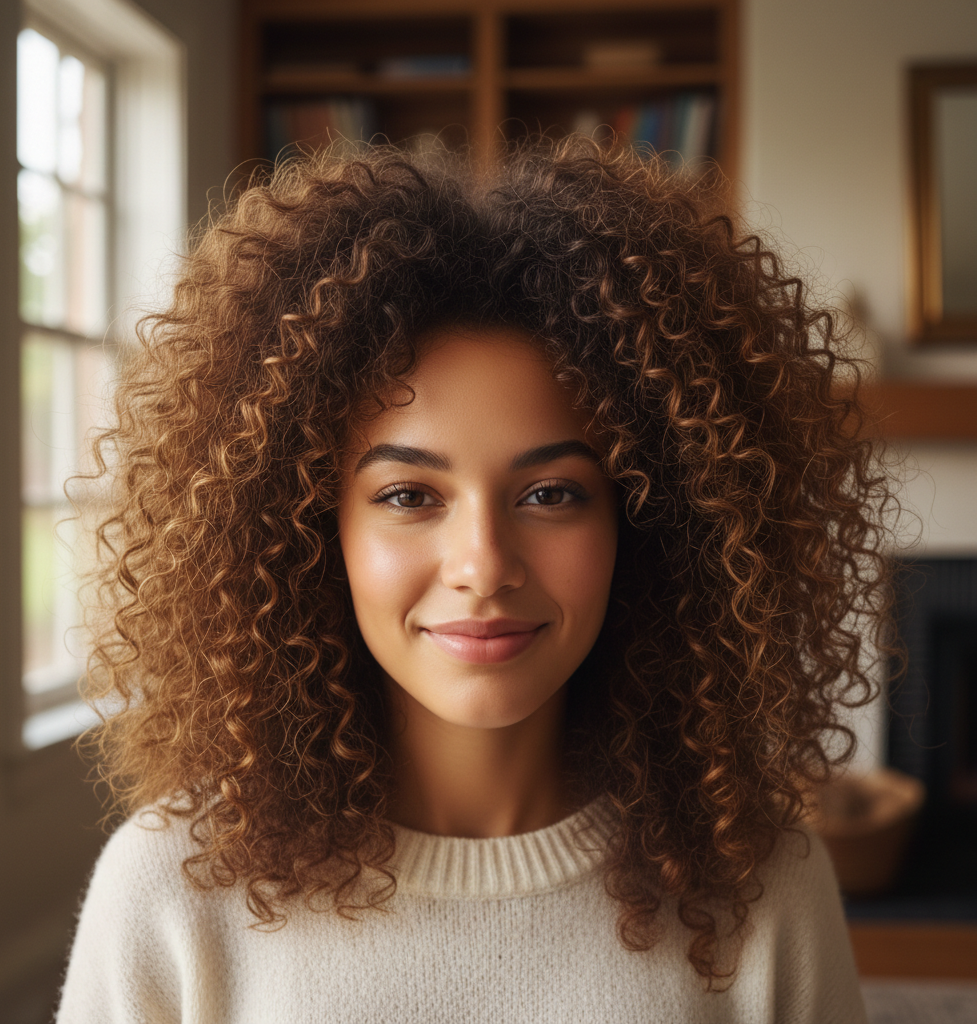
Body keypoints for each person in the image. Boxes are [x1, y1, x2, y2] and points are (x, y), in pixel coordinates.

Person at [58, 136, 892, 1022]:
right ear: (306, 527)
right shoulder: (174, 892)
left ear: (648, 523)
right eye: (410, 494)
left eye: (550, 493)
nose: (485, 566)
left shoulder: (761, 886)